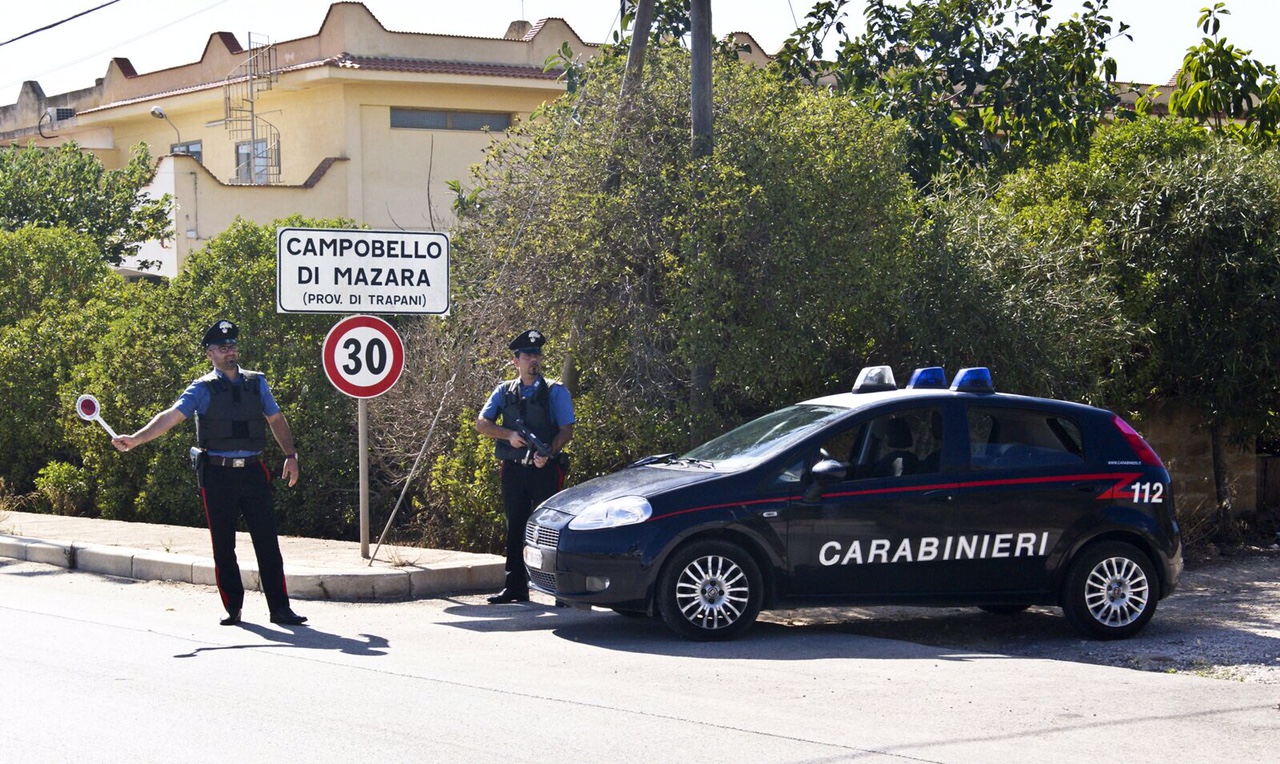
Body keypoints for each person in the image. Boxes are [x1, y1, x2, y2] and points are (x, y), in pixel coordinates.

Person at [111, 319, 308, 627]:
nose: (230, 352)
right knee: (223, 545)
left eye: (233, 346)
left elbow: (275, 418)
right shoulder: (202, 389)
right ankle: (233, 608)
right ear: (210, 354)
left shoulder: (257, 382)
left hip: (254, 472)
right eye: (222, 348)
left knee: (268, 542)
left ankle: (280, 609)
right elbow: (171, 416)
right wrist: (136, 439)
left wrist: (291, 455)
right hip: (218, 476)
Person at [476, 329, 575, 604]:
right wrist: (508, 435)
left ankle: (559, 591)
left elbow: (566, 430)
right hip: (514, 469)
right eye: (528, 355)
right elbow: (482, 424)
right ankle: (515, 587)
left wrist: (549, 452)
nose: (534, 359)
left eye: (537, 354)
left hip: (545, 469)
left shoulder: (555, 391)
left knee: (549, 530)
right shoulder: (503, 391)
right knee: (515, 527)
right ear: (516, 361)